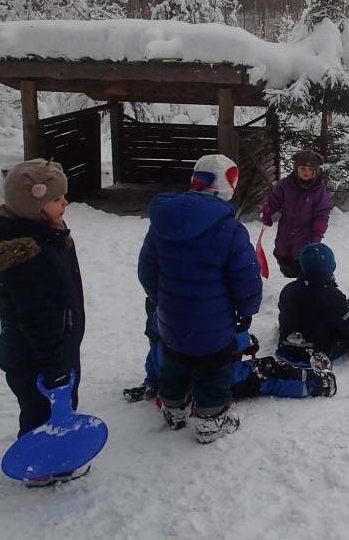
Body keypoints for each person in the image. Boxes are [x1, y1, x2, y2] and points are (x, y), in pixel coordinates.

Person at [137, 154, 336, 444]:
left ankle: (174, 409)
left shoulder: (161, 224)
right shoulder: (229, 230)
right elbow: (246, 280)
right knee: (214, 369)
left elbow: (146, 272)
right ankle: (210, 418)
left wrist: (163, 300)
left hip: (171, 321)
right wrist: (246, 311)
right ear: (227, 184)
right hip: (214, 326)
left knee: (175, 362)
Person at [0, 159, 88, 486]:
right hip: (39, 355)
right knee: (42, 410)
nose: (65, 202)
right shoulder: (30, 257)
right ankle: (41, 466)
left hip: (46, 349)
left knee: (54, 406)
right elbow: (38, 319)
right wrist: (55, 366)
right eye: (57, 198)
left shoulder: (43, 236)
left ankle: (53, 456)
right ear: (34, 207)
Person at [260, 150, 333, 278]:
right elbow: (274, 200)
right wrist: (267, 213)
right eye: (303, 168)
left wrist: (316, 235)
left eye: (310, 169)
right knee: (281, 255)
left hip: (305, 234)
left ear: (315, 171)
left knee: (302, 262)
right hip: (285, 231)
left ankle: (302, 284)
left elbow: (322, 215)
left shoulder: (318, 191)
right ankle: (292, 273)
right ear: (296, 169)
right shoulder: (285, 185)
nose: (306, 172)